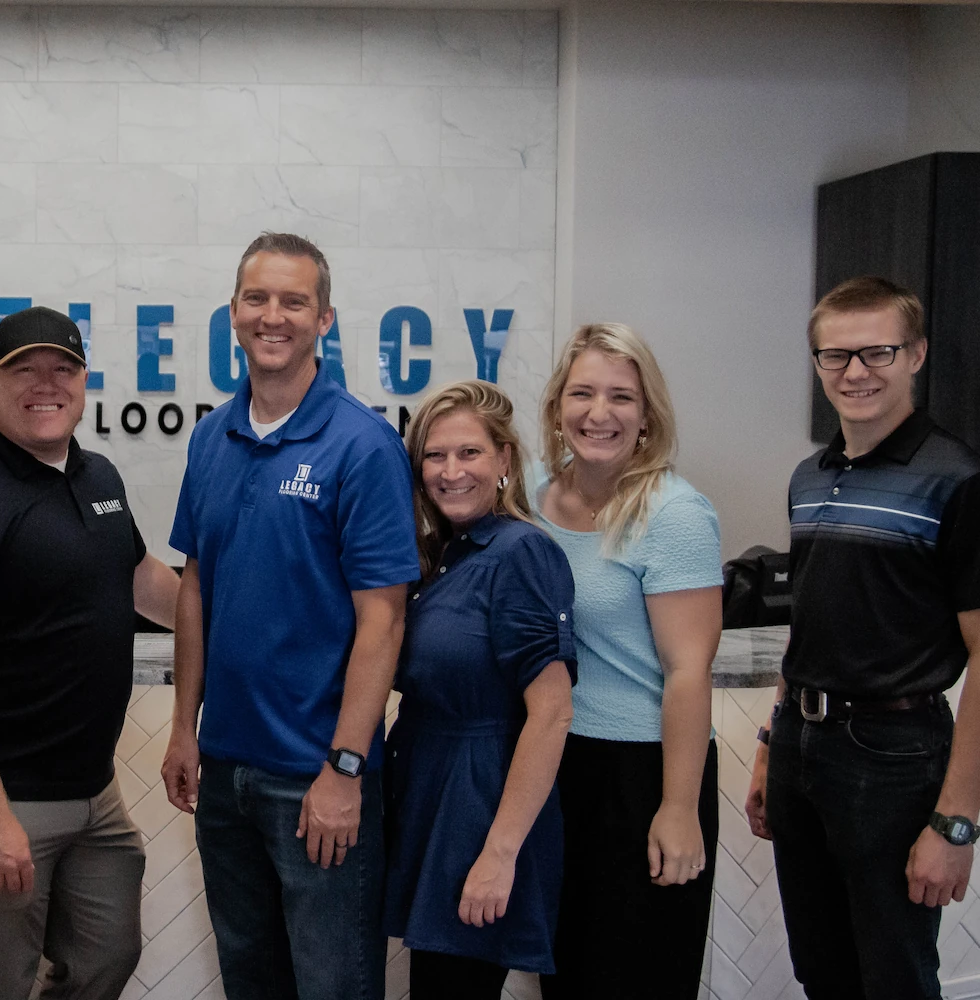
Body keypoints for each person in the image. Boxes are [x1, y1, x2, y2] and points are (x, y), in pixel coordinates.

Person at [161, 232, 419, 1000]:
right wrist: (183, 728)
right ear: (233, 313)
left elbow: (384, 622)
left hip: (316, 779)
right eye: (257, 298)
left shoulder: (364, 445)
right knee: (251, 982)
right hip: (224, 775)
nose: (273, 316)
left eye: (294, 302)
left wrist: (345, 768)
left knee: (333, 986)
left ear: (324, 319)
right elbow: (195, 588)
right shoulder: (211, 437)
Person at [0, 306, 180, 1000]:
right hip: (1, 791)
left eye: (62, 368)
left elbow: (139, 577)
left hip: (92, 787)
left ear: (83, 383)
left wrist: (237, 630)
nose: (45, 384)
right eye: (24, 370)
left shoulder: (98, 476)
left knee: (108, 953)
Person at [743, 277, 980, 999]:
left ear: (916, 354)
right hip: (801, 744)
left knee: (894, 979)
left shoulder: (957, 480)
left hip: (895, 757)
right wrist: (769, 744)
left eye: (878, 352)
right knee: (821, 971)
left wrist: (957, 823)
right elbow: (810, 624)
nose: (855, 372)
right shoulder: (809, 477)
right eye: (836, 356)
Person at [532, 324, 723, 1000]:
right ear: (557, 405)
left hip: (643, 773)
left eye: (621, 396)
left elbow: (688, 671)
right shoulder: (532, 497)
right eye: (582, 393)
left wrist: (678, 807)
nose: (599, 412)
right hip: (554, 765)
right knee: (567, 974)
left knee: (638, 975)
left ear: (647, 415)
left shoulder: (674, 514)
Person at [385, 380, 576, 999]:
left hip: (481, 806)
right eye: (434, 456)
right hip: (427, 790)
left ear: (504, 460)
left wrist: (499, 854)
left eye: (469, 452)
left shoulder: (522, 552)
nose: (451, 471)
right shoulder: (439, 555)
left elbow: (552, 714)